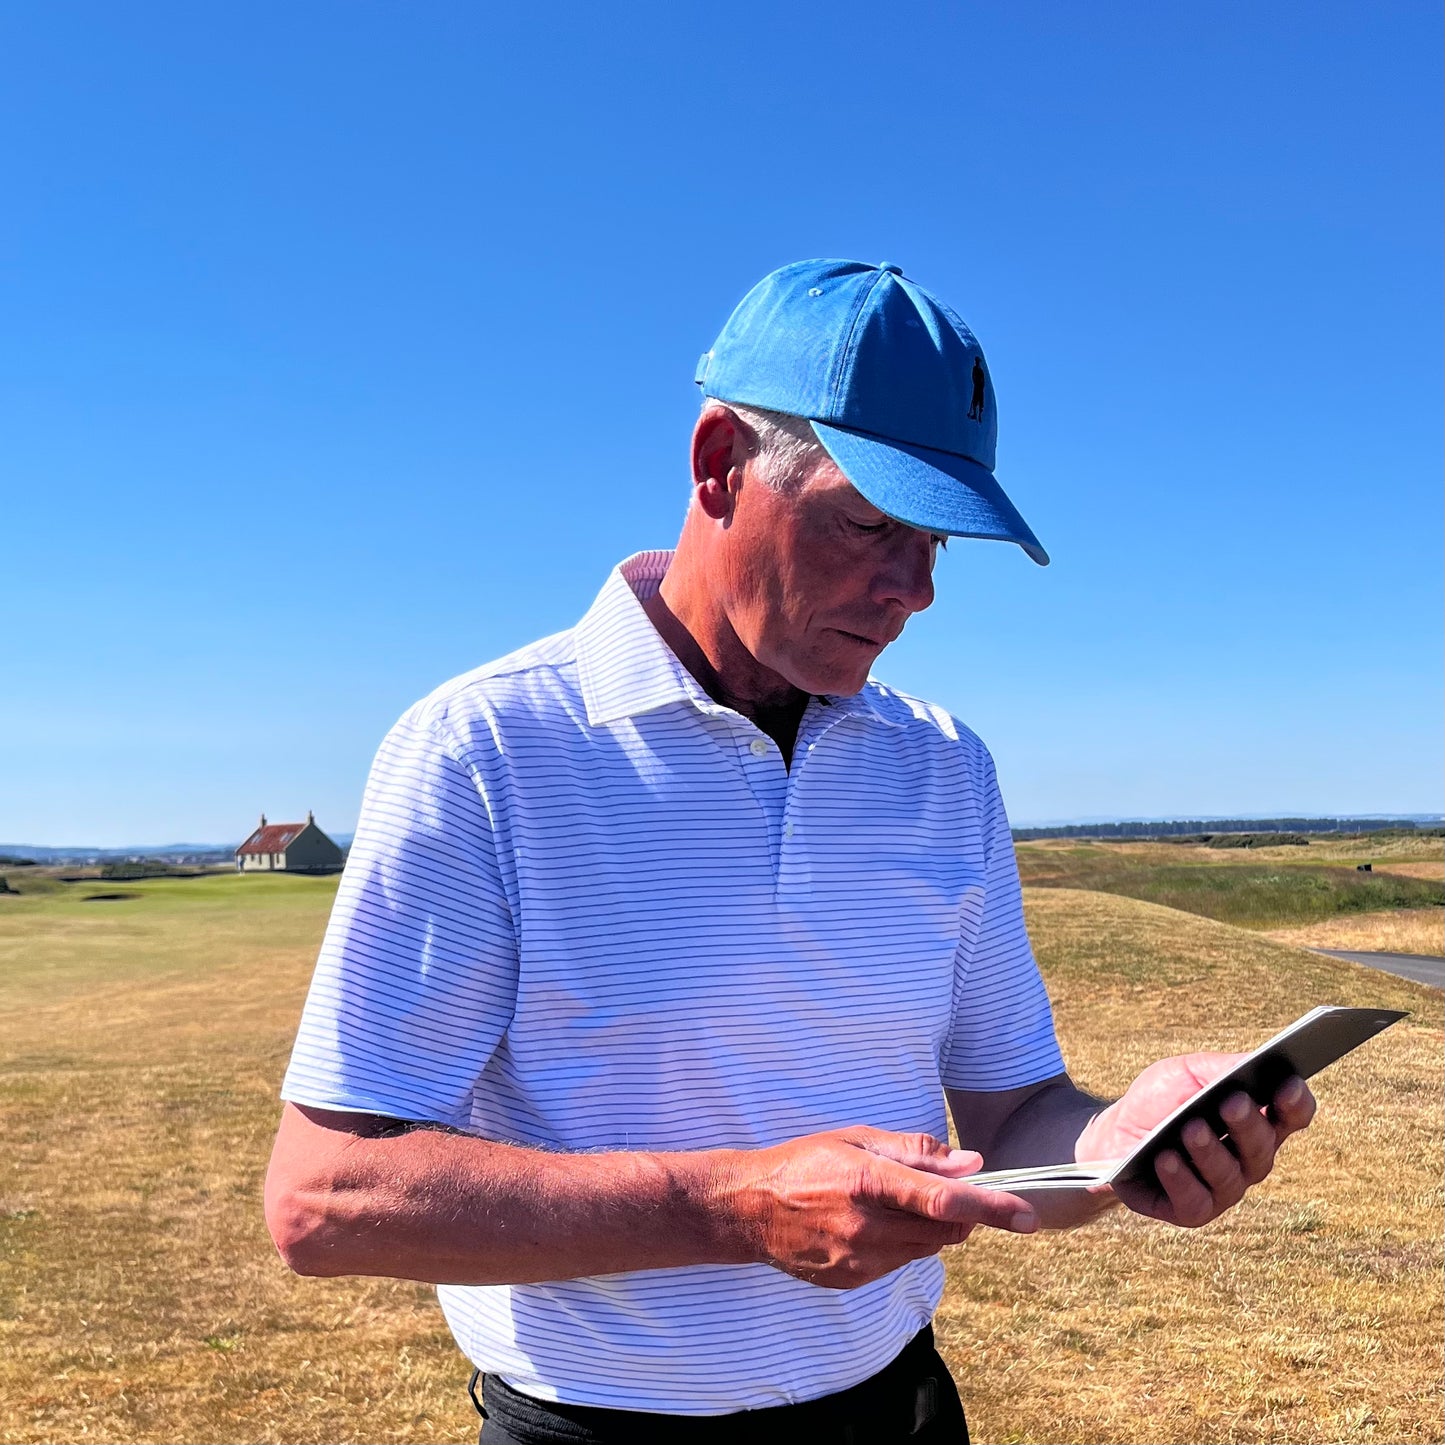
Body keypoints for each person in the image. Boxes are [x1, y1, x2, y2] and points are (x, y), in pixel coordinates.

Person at [264, 259, 1317, 1444]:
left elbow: (1010, 1103)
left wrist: (1116, 1143)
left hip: (900, 1408)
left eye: (938, 543)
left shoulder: (942, 762)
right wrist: (733, 1206)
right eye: (868, 522)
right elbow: (325, 1196)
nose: (911, 589)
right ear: (718, 461)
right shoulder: (484, 747)